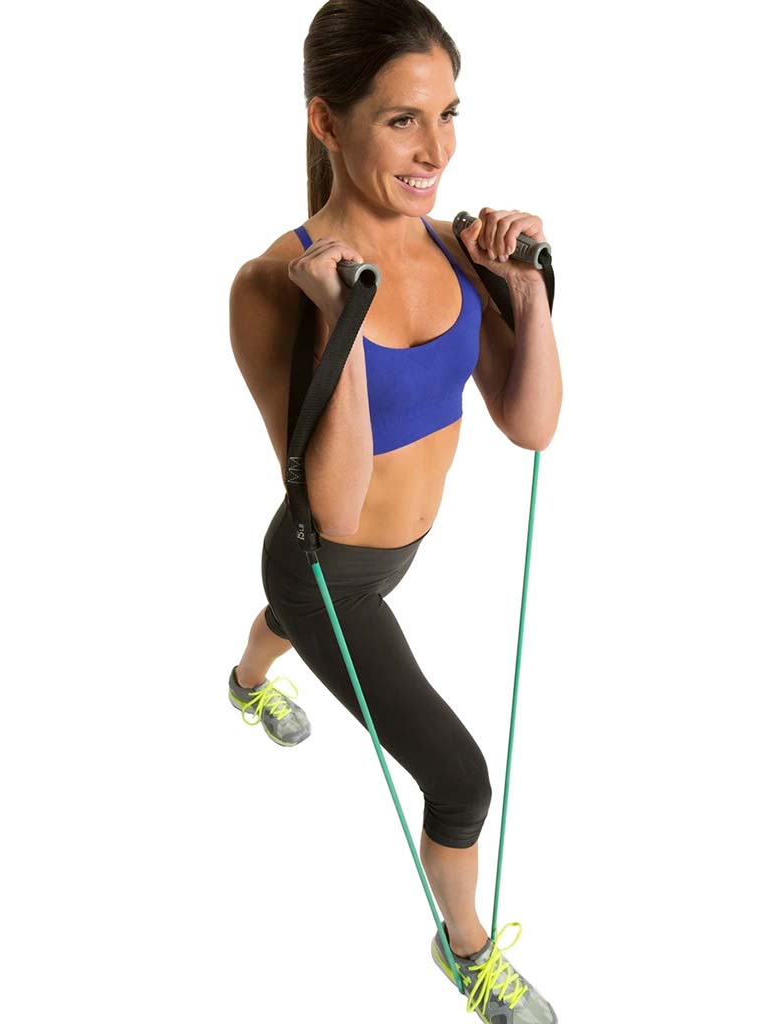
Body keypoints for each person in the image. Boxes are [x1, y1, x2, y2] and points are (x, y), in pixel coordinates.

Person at [227, 1, 562, 1019]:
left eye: (448, 114)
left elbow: (530, 425)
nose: (437, 151)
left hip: (396, 555)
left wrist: (525, 290)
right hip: (323, 566)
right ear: (326, 122)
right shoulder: (272, 287)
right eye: (403, 120)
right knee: (460, 780)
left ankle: (245, 680)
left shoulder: (457, 250)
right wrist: (346, 324)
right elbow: (330, 508)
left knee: (288, 628)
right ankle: (465, 953)